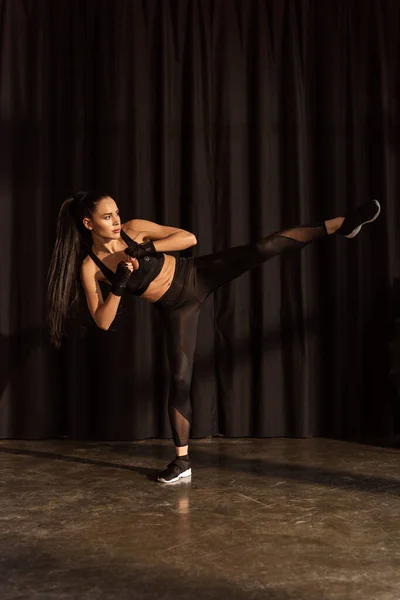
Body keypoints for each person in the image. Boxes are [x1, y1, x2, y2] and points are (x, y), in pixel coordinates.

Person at [47, 191, 381, 483]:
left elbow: (188, 239)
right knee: (179, 378)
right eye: (107, 217)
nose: (117, 221)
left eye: (116, 213)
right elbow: (103, 321)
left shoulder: (134, 229)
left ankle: (339, 225)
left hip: (196, 274)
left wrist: (144, 250)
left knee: (263, 247)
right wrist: (119, 281)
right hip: (176, 308)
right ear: (89, 224)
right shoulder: (90, 266)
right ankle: (182, 461)